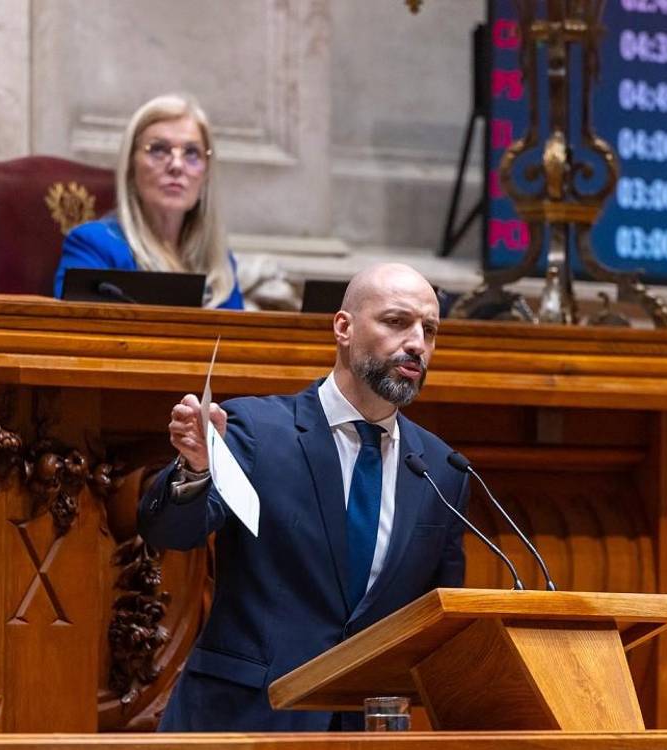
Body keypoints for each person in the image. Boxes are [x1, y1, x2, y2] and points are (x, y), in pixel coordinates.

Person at [139, 262, 467, 731]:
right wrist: (195, 469)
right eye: (397, 322)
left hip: (365, 729)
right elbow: (171, 531)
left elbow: (441, 619)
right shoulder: (257, 430)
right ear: (343, 328)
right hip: (245, 722)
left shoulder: (442, 468)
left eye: (429, 330)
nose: (417, 343)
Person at [53, 93, 242, 309]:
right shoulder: (94, 246)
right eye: (159, 150)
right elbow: (79, 337)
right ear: (131, 167)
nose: (177, 166)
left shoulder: (220, 263)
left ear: (206, 172)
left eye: (191, 152)